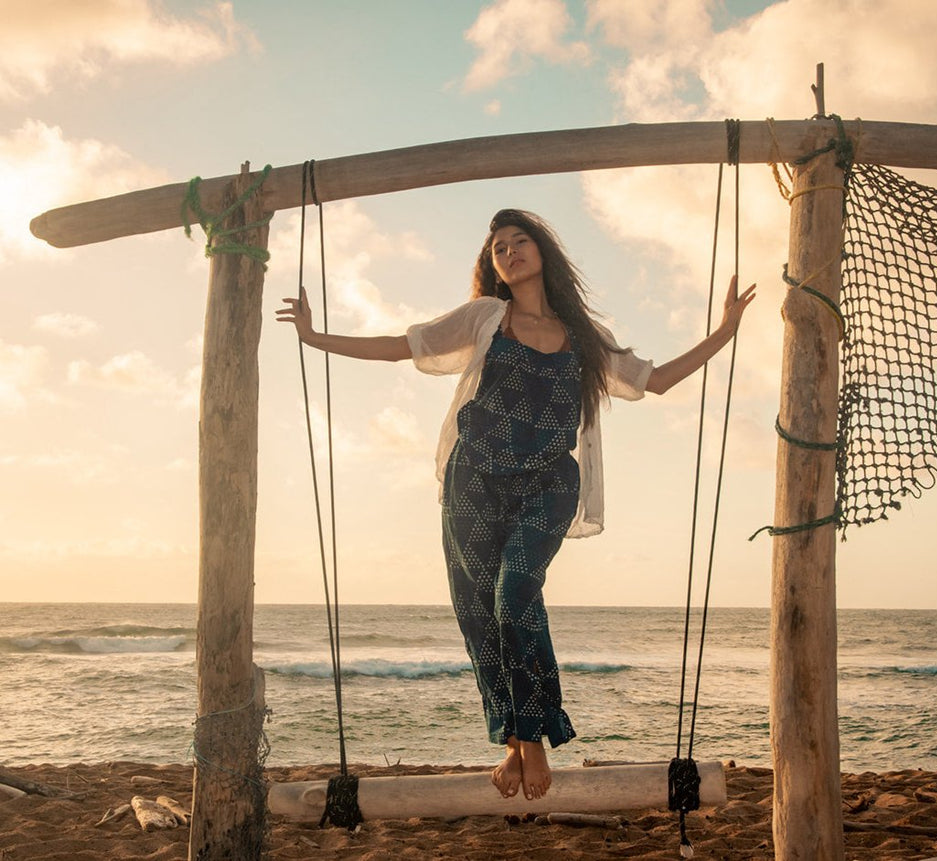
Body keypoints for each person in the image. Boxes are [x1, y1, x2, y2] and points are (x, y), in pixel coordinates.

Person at [276, 208, 755, 802]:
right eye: (498, 246)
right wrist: (314, 336)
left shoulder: (583, 338)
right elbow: (400, 346)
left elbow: (654, 380)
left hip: (549, 483)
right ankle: (517, 744)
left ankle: (530, 736)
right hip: (473, 481)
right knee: (480, 611)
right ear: (493, 265)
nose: (508, 251)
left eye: (519, 240)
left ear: (542, 251)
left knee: (514, 592)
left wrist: (726, 331)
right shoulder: (485, 318)